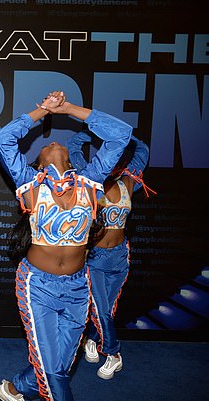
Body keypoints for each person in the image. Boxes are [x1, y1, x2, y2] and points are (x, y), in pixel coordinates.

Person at [0, 92, 132, 401]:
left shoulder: (91, 180)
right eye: (46, 145)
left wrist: (69, 109)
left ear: (70, 161)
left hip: (78, 286)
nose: (54, 143)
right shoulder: (28, 181)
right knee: (54, 369)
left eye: (61, 145)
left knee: (61, 363)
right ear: (38, 162)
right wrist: (43, 110)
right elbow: (2, 138)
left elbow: (121, 135)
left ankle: (13, 389)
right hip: (36, 285)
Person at [67, 131, 153, 379]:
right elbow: (74, 146)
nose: (113, 162)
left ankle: (93, 340)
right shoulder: (89, 181)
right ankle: (113, 353)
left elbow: (143, 151)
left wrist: (130, 138)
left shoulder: (128, 182)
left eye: (118, 157)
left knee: (108, 308)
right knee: (100, 307)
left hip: (120, 255)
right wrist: (91, 131)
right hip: (95, 257)